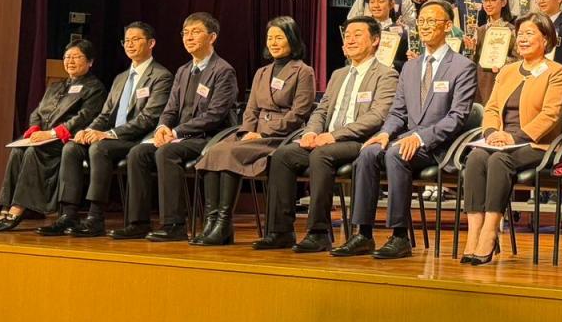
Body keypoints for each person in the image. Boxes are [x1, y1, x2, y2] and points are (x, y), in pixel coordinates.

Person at [334, 0, 478, 259]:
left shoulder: (462, 66)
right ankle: (363, 234)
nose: (425, 26)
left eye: (431, 21)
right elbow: (398, 112)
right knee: (368, 152)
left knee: (395, 153)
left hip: (440, 146)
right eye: (421, 21)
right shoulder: (410, 67)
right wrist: (384, 133)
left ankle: (400, 236)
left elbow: (456, 117)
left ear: (447, 26)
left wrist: (420, 138)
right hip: (405, 139)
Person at [253, 16, 398, 252]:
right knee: (283, 155)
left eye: (357, 35)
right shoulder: (339, 74)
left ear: (375, 41)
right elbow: (321, 110)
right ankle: (280, 231)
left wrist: (335, 136)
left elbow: (377, 116)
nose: (350, 40)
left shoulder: (386, 74)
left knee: (321, 155)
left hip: (359, 142)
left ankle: (318, 232)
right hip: (325, 139)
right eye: (347, 36)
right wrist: (311, 132)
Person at [188, 16, 317, 246]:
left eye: (279, 37)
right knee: (215, 151)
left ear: (292, 39)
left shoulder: (303, 71)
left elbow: (299, 113)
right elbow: (251, 109)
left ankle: (224, 223)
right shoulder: (262, 72)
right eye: (270, 38)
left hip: (279, 137)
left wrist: (264, 133)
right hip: (253, 134)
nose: (273, 43)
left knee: (229, 153)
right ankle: (212, 221)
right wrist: (248, 130)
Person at [110, 14, 239, 242]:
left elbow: (215, 115)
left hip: (208, 137)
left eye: (195, 32)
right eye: (185, 33)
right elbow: (170, 109)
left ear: (212, 37)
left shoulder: (223, 71)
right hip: (179, 136)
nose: (188, 37)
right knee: (138, 152)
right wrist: (162, 127)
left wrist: (176, 132)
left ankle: (174, 224)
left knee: (167, 152)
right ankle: (137, 223)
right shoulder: (183, 70)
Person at [37, 22, 173, 238]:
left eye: (136, 39)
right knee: (72, 147)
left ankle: (95, 217)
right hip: (111, 137)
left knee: (99, 148)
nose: (130, 44)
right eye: (126, 41)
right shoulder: (121, 78)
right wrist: (88, 130)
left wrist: (109, 134)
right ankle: (68, 214)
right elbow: (105, 114)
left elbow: (149, 118)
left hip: (136, 139)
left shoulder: (161, 76)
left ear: (151, 43)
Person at [460, 12, 562, 265]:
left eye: (529, 34)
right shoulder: (507, 71)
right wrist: (491, 133)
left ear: (545, 39)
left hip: (536, 144)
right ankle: (474, 231)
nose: (522, 39)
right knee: (476, 158)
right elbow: (490, 108)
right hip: (499, 140)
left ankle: (490, 232)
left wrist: (513, 137)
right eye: (520, 34)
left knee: (499, 160)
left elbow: (551, 114)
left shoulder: (557, 72)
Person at [0, 39, 107, 231]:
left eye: (76, 57)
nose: (70, 61)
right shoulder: (56, 86)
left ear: (90, 62)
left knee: (33, 152)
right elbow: (37, 112)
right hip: (45, 137)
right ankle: (6, 206)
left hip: (69, 139)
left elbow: (83, 118)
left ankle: (18, 208)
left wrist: (51, 133)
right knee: (18, 151)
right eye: (67, 57)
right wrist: (35, 129)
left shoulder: (95, 88)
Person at [469, 0, 518, 103]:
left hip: (501, 79)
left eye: (493, 0)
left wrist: (502, 62)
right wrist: (471, 50)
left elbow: (518, 59)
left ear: (504, 3)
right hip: (481, 81)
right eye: (485, 0)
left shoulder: (511, 30)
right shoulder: (479, 30)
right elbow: (474, 62)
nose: (488, 4)